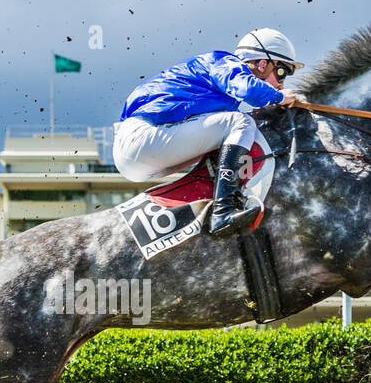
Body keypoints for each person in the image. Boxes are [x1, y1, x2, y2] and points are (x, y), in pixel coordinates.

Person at [114, 29, 302, 237]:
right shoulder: (224, 61)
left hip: (140, 153)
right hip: (143, 138)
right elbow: (248, 90)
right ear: (262, 63)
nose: (282, 82)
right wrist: (277, 96)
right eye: (282, 72)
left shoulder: (220, 90)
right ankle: (223, 211)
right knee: (241, 122)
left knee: (236, 127)